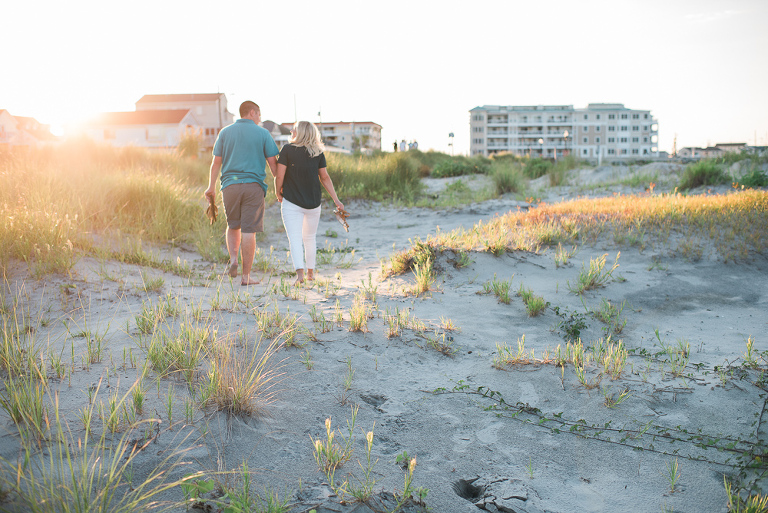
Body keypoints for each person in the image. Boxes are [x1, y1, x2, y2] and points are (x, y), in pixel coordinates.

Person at [204, 101, 279, 286]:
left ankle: (234, 259)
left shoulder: (225, 132)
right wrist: (282, 183)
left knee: (233, 225)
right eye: (259, 114)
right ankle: (246, 277)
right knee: (249, 230)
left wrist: (211, 187)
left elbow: (215, 164)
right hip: (253, 187)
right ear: (252, 112)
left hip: (230, 186)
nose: (260, 118)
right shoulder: (263, 133)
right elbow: (273, 165)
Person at [275, 121, 344, 284]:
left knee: (295, 238)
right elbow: (325, 177)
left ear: (301, 133)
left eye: (294, 129)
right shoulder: (317, 152)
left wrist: (277, 191)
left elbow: (280, 176)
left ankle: (300, 276)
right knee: (310, 237)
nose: (291, 131)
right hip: (313, 203)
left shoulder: (287, 150)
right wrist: (336, 199)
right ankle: (311, 273)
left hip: (292, 202)